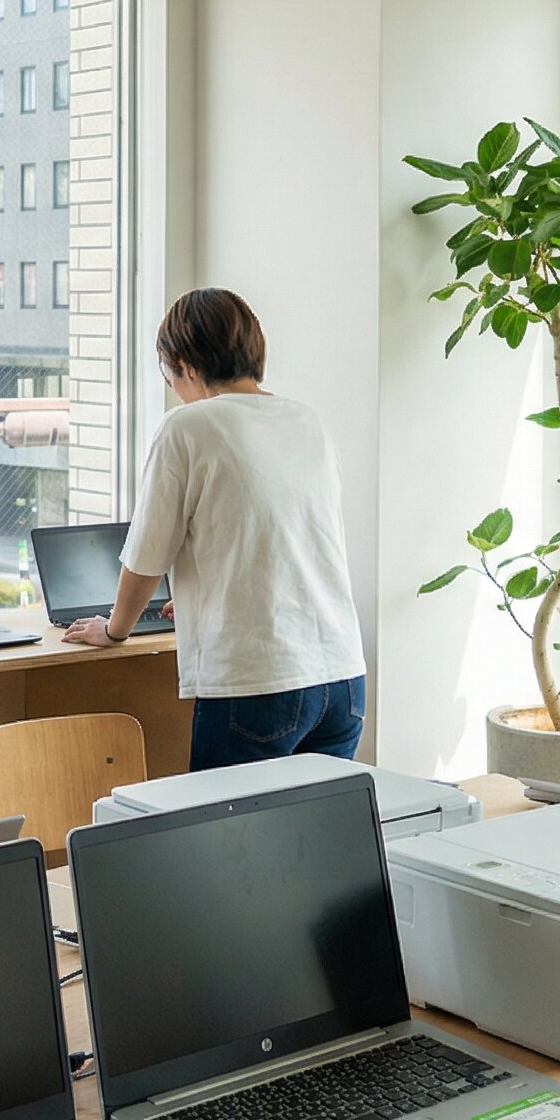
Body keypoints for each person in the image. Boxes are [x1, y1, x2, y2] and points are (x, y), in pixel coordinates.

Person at [63, 287, 368, 771]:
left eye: (169, 376)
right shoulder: (306, 420)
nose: (174, 390)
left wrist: (115, 630)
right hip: (342, 678)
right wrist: (208, 597)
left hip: (258, 683)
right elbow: (286, 534)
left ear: (185, 364)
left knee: (226, 844)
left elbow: (147, 556)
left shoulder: (188, 426)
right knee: (306, 843)